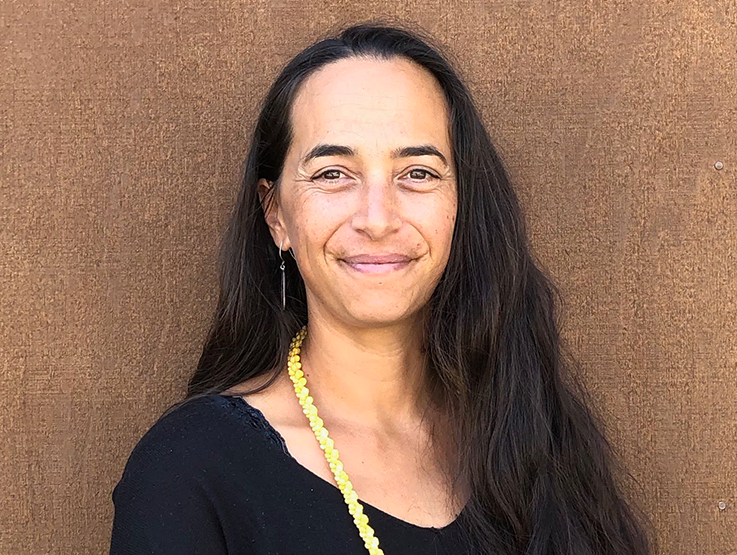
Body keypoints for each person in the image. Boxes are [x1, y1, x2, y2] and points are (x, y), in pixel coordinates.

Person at [109, 20, 657, 555]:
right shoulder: (189, 472)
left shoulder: (531, 440)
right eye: (332, 174)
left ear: (460, 204)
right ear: (276, 215)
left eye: (418, 172)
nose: (377, 219)